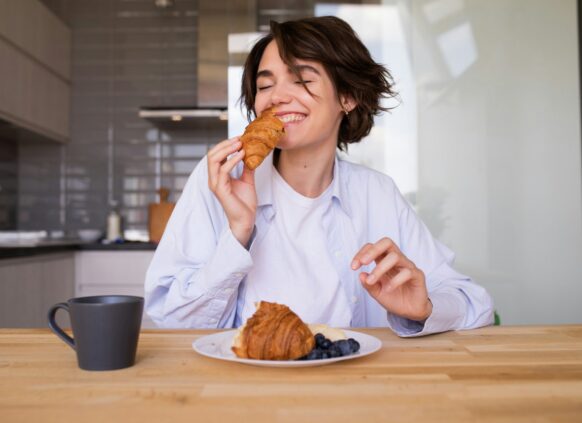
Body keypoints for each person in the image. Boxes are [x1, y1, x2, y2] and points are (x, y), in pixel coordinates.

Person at [145, 16, 494, 336]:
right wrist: (237, 234)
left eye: (301, 80)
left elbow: (474, 304)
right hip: (249, 394)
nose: (277, 97)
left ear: (348, 96)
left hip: (357, 390)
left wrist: (423, 309)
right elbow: (172, 323)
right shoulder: (219, 183)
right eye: (265, 86)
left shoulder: (377, 194)